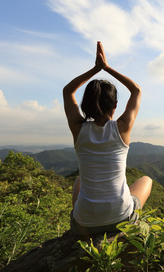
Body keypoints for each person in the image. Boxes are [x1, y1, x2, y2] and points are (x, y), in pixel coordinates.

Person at [63, 41, 152, 236]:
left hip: (84, 226)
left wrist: (94, 70)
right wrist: (107, 68)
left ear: (85, 106)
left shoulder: (78, 129)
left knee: (79, 180)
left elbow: (68, 91)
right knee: (146, 179)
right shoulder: (122, 128)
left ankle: (88, 217)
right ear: (115, 105)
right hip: (120, 220)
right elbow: (136, 90)